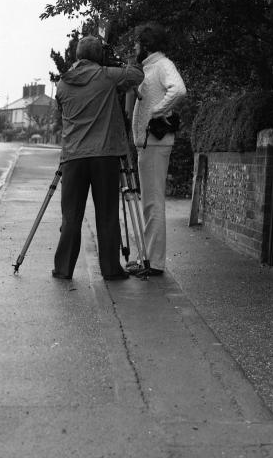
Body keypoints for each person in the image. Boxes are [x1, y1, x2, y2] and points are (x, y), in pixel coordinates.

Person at [52, 36, 144, 281]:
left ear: (77, 56)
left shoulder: (62, 83)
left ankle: (63, 269)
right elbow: (136, 75)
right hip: (104, 156)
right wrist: (123, 60)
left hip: (72, 157)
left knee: (71, 216)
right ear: (99, 56)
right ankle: (111, 269)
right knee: (107, 214)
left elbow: (62, 110)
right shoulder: (106, 75)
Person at [131, 22, 187, 276]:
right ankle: (148, 258)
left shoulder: (163, 65)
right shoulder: (151, 67)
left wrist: (156, 111)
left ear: (147, 45)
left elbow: (179, 90)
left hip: (156, 141)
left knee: (153, 203)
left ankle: (154, 263)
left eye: (137, 43)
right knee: (149, 203)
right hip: (148, 142)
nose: (134, 47)